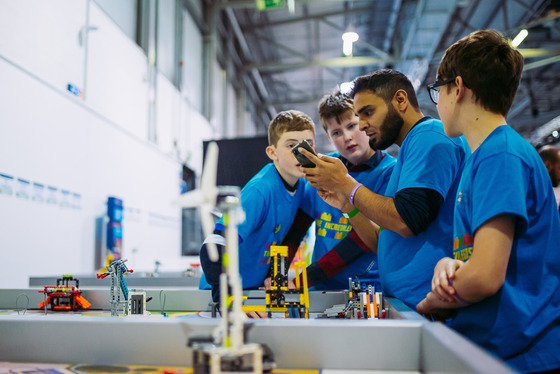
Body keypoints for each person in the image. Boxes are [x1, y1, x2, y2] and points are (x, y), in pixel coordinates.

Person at [416, 30, 560, 373]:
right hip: (497, 349)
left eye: (438, 91)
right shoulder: (483, 156)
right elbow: (481, 257)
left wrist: (433, 301)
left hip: (522, 355)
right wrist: (447, 266)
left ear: (458, 88)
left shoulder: (501, 156)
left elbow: (484, 276)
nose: (438, 103)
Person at [298, 69, 470, 309]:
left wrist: (345, 183)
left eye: (368, 113)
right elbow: (383, 240)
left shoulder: (428, 138)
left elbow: (406, 221)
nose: (363, 125)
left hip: (428, 302)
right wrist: (349, 206)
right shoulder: (409, 151)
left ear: (400, 100)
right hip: (406, 301)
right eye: (359, 116)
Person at [283, 90, 396, 290]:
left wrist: (302, 280)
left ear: (364, 122)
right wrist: (275, 275)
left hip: (369, 290)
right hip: (321, 289)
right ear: (328, 136)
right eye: (337, 132)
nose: (347, 137)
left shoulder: (390, 173)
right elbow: (296, 230)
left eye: (352, 126)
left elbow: (360, 241)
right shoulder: (321, 168)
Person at [199, 110, 315, 303]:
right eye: (291, 145)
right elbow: (214, 245)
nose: (301, 153)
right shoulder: (260, 191)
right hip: (220, 295)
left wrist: (277, 276)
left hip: (255, 290)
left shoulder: (302, 186)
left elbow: (287, 236)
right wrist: (227, 300)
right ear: (272, 153)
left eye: (308, 145)